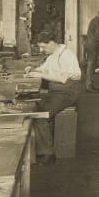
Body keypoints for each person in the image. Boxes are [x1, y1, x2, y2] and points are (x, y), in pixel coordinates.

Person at [26, 30, 82, 166]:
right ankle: (45, 141)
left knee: (40, 115)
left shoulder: (66, 55)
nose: (41, 49)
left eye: (43, 47)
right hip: (56, 91)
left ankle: (48, 154)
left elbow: (62, 79)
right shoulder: (53, 55)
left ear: (51, 43)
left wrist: (40, 75)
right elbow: (44, 69)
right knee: (35, 105)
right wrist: (33, 70)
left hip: (67, 92)